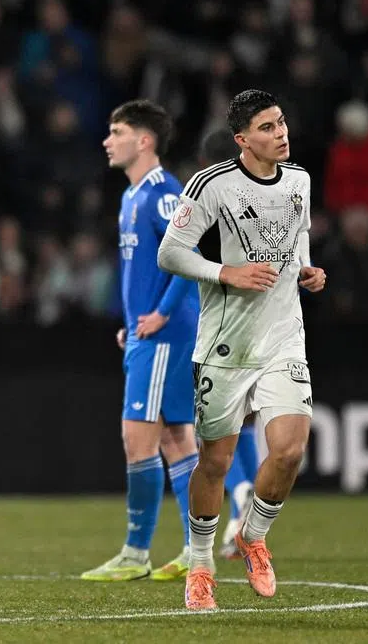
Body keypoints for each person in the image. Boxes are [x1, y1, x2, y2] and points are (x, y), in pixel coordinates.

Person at [158, 90, 326, 610]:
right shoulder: (212, 184)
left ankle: (253, 535)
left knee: (291, 449)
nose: (281, 133)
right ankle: (202, 565)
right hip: (225, 344)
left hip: (283, 337)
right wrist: (224, 272)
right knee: (215, 462)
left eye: (281, 123)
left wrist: (305, 268)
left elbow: (296, 237)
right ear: (242, 140)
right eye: (268, 128)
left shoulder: (299, 180)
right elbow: (171, 252)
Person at [82, 100, 199, 583]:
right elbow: (146, 270)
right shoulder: (131, 197)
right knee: (175, 440)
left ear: (144, 141)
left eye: (117, 131)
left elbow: (187, 259)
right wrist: (134, 320)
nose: (108, 140)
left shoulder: (163, 192)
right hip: (148, 331)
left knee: (138, 438)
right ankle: (199, 547)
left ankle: (135, 553)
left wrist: (159, 315)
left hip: (166, 334)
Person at [198, 127, 261, 561]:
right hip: (266, 326)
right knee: (249, 423)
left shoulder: (207, 204)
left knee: (217, 432)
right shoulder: (263, 202)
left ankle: (239, 498)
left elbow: (185, 266)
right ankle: (248, 507)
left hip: (219, 328)